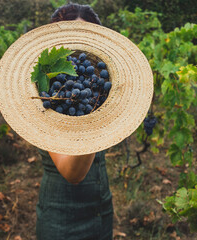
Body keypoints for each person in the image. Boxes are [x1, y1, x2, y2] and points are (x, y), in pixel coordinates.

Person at [36, 3, 113, 240]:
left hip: (101, 208)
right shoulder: (46, 96)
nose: (79, 51)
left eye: (86, 41)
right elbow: (72, 173)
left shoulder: (100, 91)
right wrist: (92, 113)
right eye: (71, 41)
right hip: (60, 217)